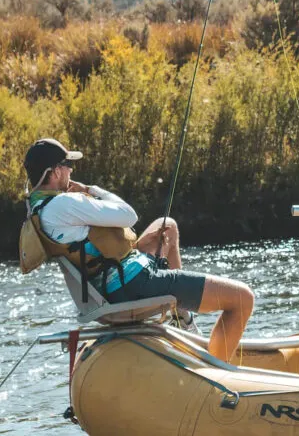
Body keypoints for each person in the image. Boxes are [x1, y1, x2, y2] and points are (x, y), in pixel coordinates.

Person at [22, 138, 254, 362]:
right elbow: (128, 214)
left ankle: (182, 319)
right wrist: (92, 189)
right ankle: (216, 375)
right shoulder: (64, 204)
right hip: (133, 283)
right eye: (68, 165)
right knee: (242, 300)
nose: (71, 171)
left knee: (167, 226)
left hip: (112, 282)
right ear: (54, 173)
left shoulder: (38, 209)